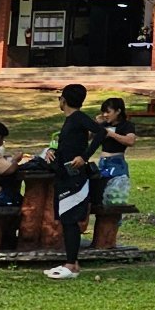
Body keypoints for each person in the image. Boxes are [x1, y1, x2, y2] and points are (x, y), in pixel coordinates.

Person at [42, 83, 102, 278]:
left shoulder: (78, 117)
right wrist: (52, 151)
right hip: (64, 175)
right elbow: (68, 145)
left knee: (70, 220)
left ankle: (70, 265)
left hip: (75, 178)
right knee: (66, 219)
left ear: (63, 100)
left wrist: (84, 157)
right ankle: (72, 263)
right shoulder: (70, 121)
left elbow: (101, 132)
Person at [96, 96, 138, 207]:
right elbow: (87, 137)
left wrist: (111, 134)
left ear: (118, 111)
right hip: (102, 163)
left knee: (115, 200)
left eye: (108, 112)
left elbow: (130, 141)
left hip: (117, 162)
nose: (105, 115)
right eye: (103, 112)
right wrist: (95, 124)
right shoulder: (103, 125)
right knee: (100, 198)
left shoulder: (127, 125)